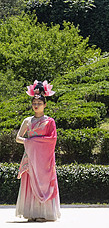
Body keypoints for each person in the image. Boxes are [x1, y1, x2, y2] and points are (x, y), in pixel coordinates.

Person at [16, 80, 60, 222]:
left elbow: (52, 139)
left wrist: (33, 142)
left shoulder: (49, 121)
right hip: (30, 157)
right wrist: (30, 143)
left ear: (45, 105)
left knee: (44, 183)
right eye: (34, 103)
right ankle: (31, 213)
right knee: (29, 184)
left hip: (44, 159)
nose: (36, 105)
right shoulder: (27, 121)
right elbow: (18, 138)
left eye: (39, 103)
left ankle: (44, 213)